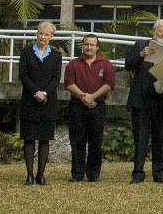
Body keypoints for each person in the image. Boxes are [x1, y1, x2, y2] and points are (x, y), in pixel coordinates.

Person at [125, 19, 163, 184]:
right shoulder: (140, 45)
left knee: (160, 138)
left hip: (162, 100)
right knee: (140, 138)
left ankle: (159, 173)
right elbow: (128, 65)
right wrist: (141, 55)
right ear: (154, 31)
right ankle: (138, 173)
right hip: (141, 100)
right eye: (160, 31)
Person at [64, 34, 116, 182]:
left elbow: (109, 84)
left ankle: (93, 175)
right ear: (82, 46)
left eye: (92, 45)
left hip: (97, 107)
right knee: (77, 141)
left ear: (97, 47)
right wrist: (83, 97)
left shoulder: (106, 64)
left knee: (95, 142)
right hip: (77, 107)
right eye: (86, 44)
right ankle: (77, 174)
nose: (89, 47)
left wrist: (93, 97)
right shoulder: (73, 64)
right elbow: (69, 84)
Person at [18, 21, 62, 186]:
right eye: (40, 33)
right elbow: (23, 75)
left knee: (45, 139)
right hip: (30, 100)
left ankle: (40, 175)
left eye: (46, 34)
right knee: (29, 138)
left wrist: (45, 93)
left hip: (48, 102)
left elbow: (56, 78)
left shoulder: (56, 55)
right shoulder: (26, 52)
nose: (42, 37)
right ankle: (29, 174)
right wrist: (35, 91)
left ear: (51, 37)